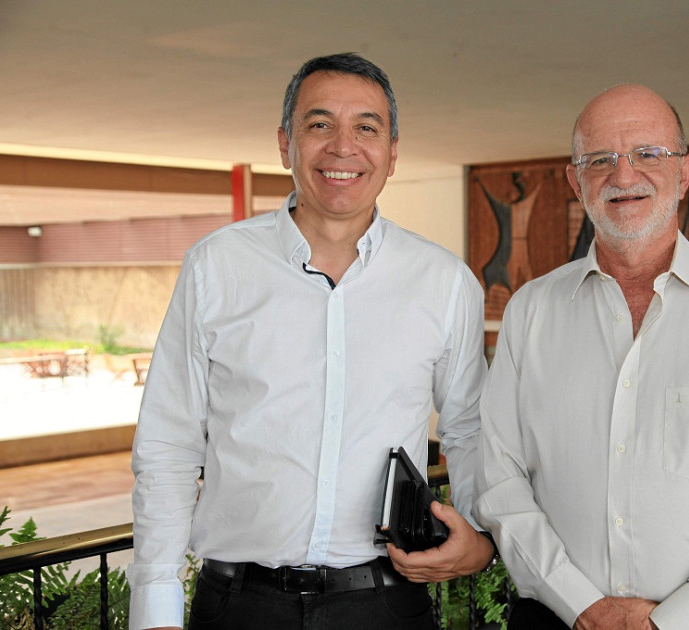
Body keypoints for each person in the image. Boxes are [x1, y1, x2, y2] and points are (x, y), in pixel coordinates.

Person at [128, 52, 496, 630]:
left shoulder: (444, 281)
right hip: (238, 607)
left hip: (386, 605)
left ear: (392, 152)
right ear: (286, 144)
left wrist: (478, 534)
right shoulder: (215, 266)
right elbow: (169, 443)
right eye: (320, 124)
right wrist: (155, 606)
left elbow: (469, 429)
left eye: (366, 128)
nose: (343, 147)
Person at [473, 84, 689, 630]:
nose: (624, 175)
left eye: (648, 154)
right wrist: (581, 605)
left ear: (685, 173)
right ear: (575, 181)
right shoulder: (529, 312)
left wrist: (673, 621)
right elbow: (499, 480)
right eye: (599, 160)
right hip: (557, 620)